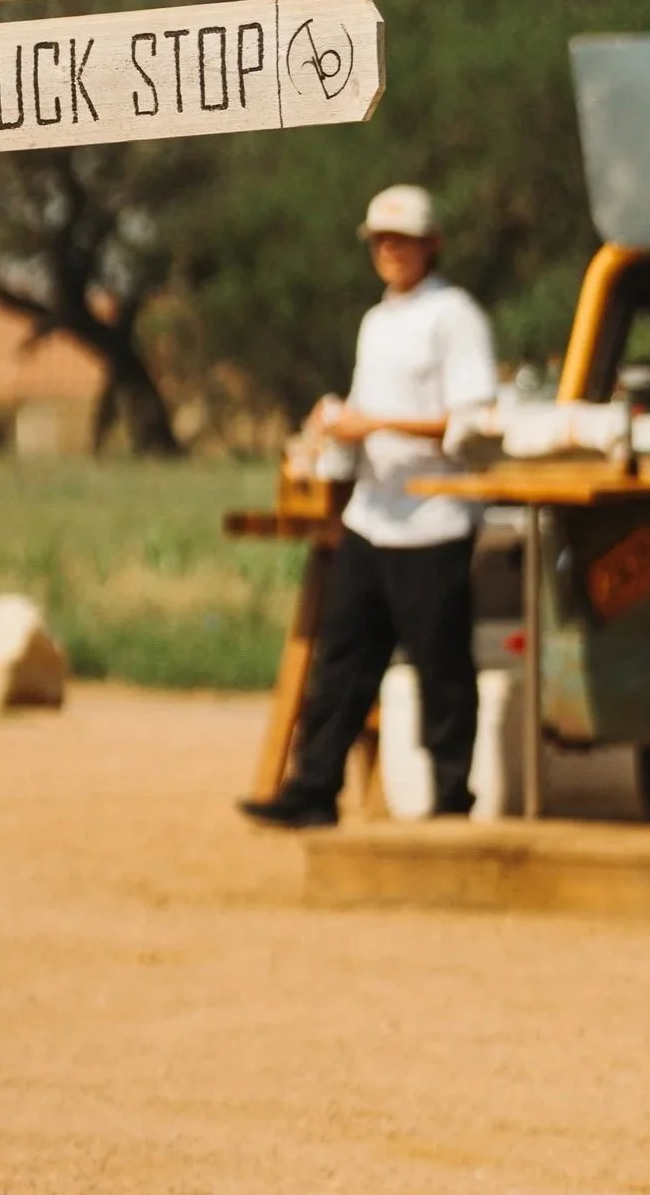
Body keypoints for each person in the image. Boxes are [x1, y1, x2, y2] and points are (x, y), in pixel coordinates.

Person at [238, 184, 498, 829]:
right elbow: (360, 417)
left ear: (431, 245)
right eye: (381, 240)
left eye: (403, 239)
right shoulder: (376, 321)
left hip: (434, 515)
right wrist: (336, 440)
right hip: (372, 515)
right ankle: (315, 786)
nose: (391, 251)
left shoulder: (454, 315)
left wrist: (374, 424)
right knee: (342, 660)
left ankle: (450, 795)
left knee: (440, 667)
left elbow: (470, 422)